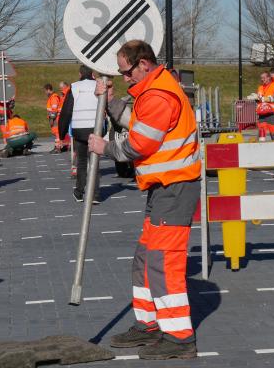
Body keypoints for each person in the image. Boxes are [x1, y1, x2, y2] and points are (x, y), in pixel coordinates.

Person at [88, 40, 200, 360]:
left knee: (163, 262)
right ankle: (149, 324)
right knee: (145, 259)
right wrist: (110, 102)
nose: (125, 78)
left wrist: (104, 147)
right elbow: (136, 122)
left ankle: (179, 338)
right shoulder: (150, 92)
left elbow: (139, 144)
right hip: (162, 189)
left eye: (126, 72)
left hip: (174, 189)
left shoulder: (159, 95)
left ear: (144, 64)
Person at [58, 65, 102, 203]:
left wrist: (61, 133)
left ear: (80, 74)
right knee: (94, 162)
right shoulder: (98, 85)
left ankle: (79, 192)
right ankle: (95, 195)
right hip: (95, 129)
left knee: (82, 162)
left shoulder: (75, 87)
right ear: (92, 73)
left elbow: (66, 112)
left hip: (79, 130)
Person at [256, 71, 274, 141]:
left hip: (272, 113)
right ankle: (261, 149)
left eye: (264, 78)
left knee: (273, 133)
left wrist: (265, 99)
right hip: (262, 113)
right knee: (261, 133)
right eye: (261, 78)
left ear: (269, 78)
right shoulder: (260, 87)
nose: (262, 79)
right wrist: (255, 98)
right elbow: (259, 98)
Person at [45, 83, 63, 154]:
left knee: (57, 133)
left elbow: (54, 110)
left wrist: (52, 119)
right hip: (56, 118)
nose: (45, 93)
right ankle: (57, 146)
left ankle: (58, 148)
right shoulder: (53, 97)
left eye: (46, 91)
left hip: (56, 118)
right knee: (56, 133)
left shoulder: (53, 97)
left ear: (49, 90)